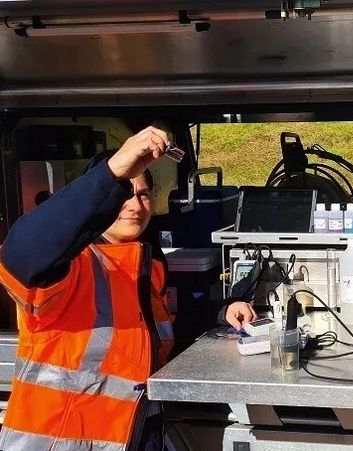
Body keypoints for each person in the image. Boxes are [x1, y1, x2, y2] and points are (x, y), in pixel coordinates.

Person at [0, 126, 257, 450]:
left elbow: (160, 334)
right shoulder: (68, 266)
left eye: (143, 194)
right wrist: (113, 172)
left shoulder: (147, 266)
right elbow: (21, 250)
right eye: (123, 193)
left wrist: (221, 311)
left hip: (138, 434)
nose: (135, 204)